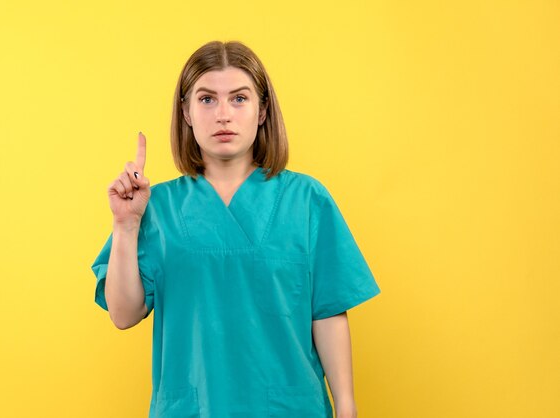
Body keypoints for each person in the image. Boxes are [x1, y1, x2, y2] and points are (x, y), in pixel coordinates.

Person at [90, 40, 381, 418]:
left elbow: (326, 312)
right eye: (207, 99)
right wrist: (125, 225)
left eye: (239, 99)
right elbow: (124, 314)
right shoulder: (155, 208)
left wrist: (346, 406)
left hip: (289, 408)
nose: (223, 114)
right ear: (187, 112)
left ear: (262, 111)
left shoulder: (306, 200)